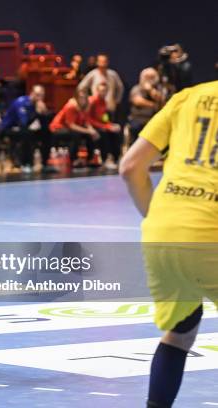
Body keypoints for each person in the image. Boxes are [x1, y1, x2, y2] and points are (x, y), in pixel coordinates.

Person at [119, 80, 218, 408]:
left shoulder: (189, 96)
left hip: (164, 229)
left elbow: (131, 167)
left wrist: (158, 219)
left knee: (181, 331)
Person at [0, 84, 53, 173]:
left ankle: (45, 164)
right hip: (9, 128)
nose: (39, 98)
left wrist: (43, 114)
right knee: (27, 134)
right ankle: (26, 163)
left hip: (24, 129)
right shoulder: (21, 102)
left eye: (41, 95)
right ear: (31, 93)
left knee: (47, 133)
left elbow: (43, 125)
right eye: (37, 95)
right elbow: (23, 123)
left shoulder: (38, 105)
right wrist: (37, 113)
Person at [87, 82, 122, 169]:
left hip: (101, 126)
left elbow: (104, 119)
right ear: (97, 90)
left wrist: (111, 125)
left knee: (116, 132)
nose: (103, 93)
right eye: (102, 91)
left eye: (105, 91)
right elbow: (88, 119)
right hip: (91, 127)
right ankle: (105, 160)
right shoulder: (91, 101)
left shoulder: (104, 102)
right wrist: (106, 127)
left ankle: (116, 159)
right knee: (104, 133)